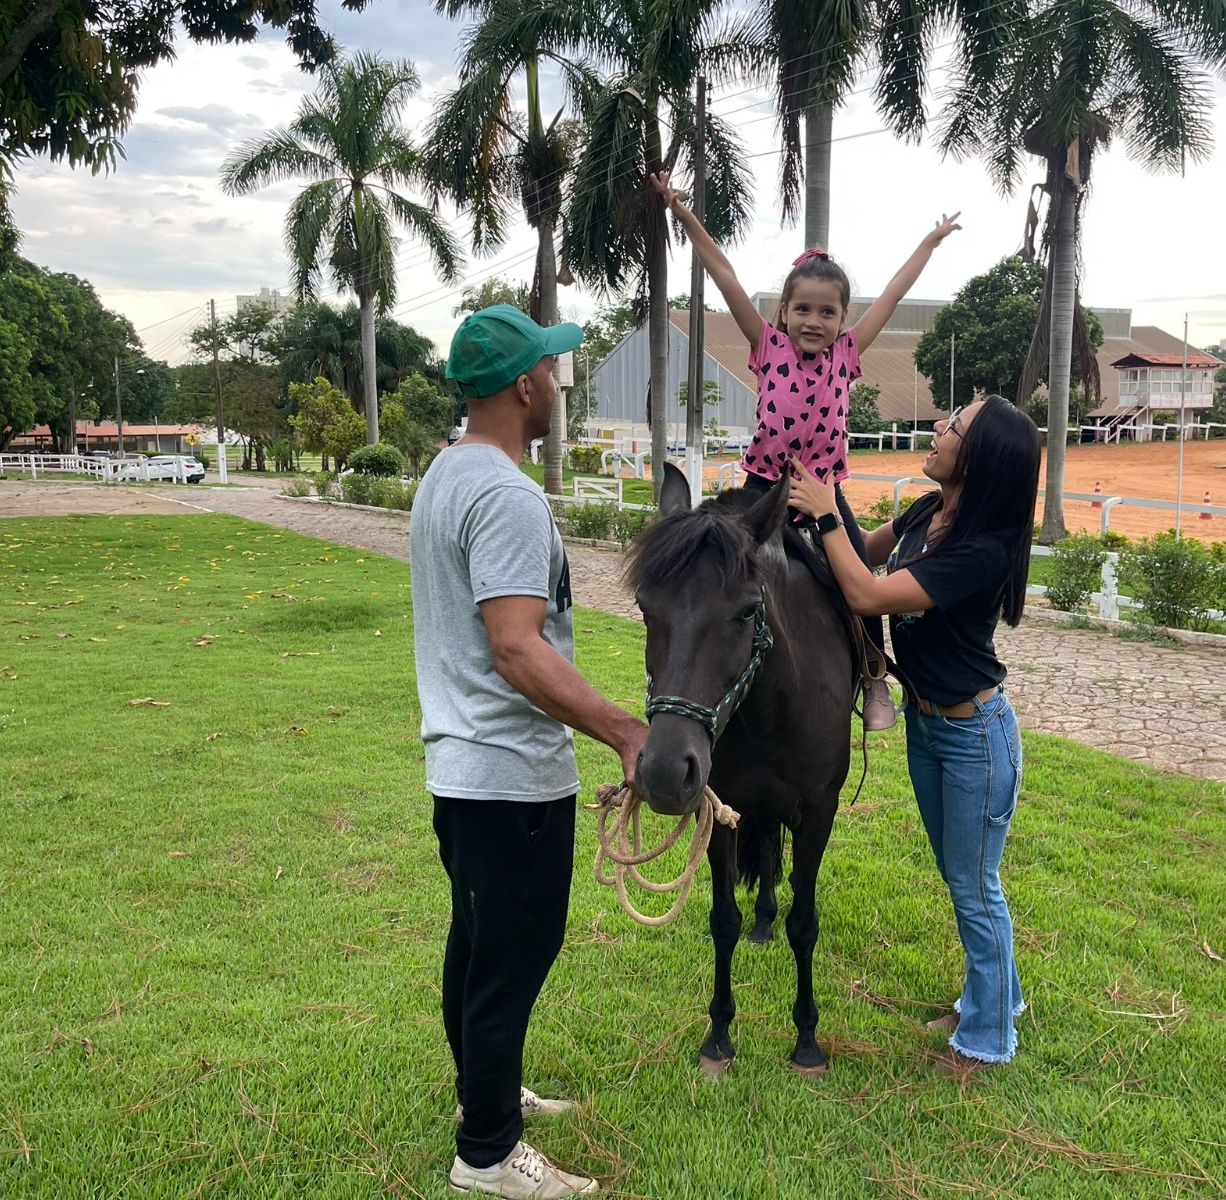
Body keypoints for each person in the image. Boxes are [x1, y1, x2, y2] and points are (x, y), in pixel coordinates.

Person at [410, 304, 647, 1197]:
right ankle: (488, 1157)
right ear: (523, 385)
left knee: (476, 947)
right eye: (548, 367)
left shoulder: (447, 474)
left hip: (461, 768)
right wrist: (627, 730)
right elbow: (515, 644)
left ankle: (490, 1095)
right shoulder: (504, 493)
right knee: (510, 957)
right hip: (509, 776)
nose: (556, 380)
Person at [650, 169, 961, 731]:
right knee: (713, 571)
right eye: (802, 309)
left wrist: (929, 243)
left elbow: (893, 293)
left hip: (821, 495)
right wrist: (682, 212)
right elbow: (723, 274)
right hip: (761, 489)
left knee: (860, 575)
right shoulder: (765, 346)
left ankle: (870, 676)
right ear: (783, 313)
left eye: (827, 312)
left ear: (843, 319)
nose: (813, 321)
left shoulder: (847, 354)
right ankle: (696, 676)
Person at [785, 396, 1040, 1069]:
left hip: (974, 736)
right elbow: (860, 551)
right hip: (929, 728)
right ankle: (998, 999)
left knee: (975, 884)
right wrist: (824, 487)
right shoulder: (931, 512)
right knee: (963, 878)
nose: (936, 428)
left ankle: (986, 1042)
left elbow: (867, 593)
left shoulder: (982, 551)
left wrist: (821, 510)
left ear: (977, 456)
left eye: (952, 426)